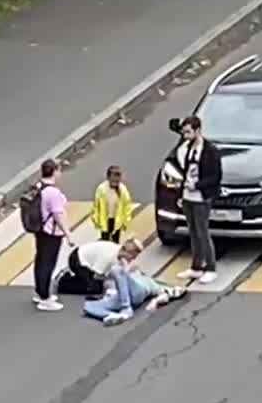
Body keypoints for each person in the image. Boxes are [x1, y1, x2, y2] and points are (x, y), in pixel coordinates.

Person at [168, 113, 222, 284]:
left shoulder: (210, 150)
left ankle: (211, 267)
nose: (186, 136)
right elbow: (183, 169)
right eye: (184, 133)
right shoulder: (188, 148)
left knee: (202, 232)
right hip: (187, 196)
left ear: (198, 130)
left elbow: (215, 176)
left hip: (201, 197)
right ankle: (196, 266)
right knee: (192, 232)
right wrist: (181, 194)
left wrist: (198, 186)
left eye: (189, 132)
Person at [82, 238, 187, 324]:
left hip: (135, 293)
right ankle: (112, 315)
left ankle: (126, 309)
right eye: (131, 257)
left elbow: (167, 292)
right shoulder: (116, 261)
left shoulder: (146, 280)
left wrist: (155, 302)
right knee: (87, 306)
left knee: (116, 270)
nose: (131, 260)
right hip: (118, 297)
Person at [33, 157, 72, 313]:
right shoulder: (53, 193)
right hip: (51, 232)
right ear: (54, 171)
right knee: (47, 264)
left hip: (39, 229)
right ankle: (45, 297)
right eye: (59, 170)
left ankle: (39, 291)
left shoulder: (38, 187)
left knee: (40, 260)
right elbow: (58, 215)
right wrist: (68, 234)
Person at [91, 163, 133, 241]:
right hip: (105, 219)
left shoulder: (122, 190)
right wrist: (96, 219)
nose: (115, 182)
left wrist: (126, 221)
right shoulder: (101, 189)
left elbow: (127, 206)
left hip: (117, 220)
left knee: (115, 241)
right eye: (113, 180)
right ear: (108, 178)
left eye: (117, 181)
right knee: (105, 241)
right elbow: (96, 206)